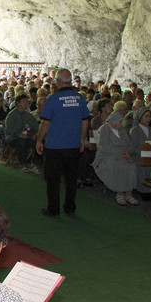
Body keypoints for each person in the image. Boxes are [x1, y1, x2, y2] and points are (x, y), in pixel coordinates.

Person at [36, 68, 90, 217]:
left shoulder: (53, 99)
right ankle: (70, 208)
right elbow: (85, 122)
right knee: (71, 179)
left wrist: (39, 140)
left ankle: (53, 209)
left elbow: (45, 123)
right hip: (73, 145)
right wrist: (82, 140)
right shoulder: (80, 99)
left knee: (53, 180)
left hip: (55, 146)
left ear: (58, 82)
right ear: (70, 81)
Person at [93, 111, 138, 205]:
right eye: (120, 122)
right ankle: (120, 193)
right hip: (107, 156)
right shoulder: (105, 129)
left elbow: (129, 144)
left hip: (123, 155)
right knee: (120, 166)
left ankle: (129, 193)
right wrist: (120, 152)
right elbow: (104, 147)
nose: (121, 124)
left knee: (132, 166)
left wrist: (128, 152)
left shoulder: (122, 130)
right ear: (113, 122)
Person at [129, 106, 151, 200]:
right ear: (140, 117)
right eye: (146, 116)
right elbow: (133, 148)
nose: (148, 119)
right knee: (142, 165)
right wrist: (144, 152)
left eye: (149, 117)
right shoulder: (134, 131)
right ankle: (144, 190)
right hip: (138, 156)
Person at [4, 94, 40, 172]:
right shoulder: (11, 115)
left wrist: (36, 134)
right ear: (18, 103)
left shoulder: (28, 115)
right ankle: (22, 164)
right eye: (24, 101)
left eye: (26, 101)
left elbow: (35, 126)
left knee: (38, 142)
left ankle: (35, 164)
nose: (26, 103)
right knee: (22, 142)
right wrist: (19, 134)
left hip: (27, 136)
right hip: (13, 138)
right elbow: (9, 130)